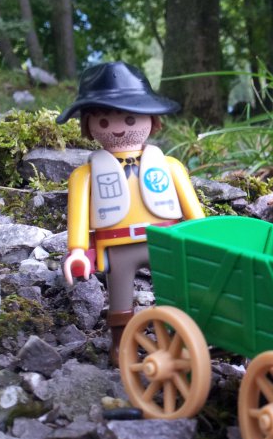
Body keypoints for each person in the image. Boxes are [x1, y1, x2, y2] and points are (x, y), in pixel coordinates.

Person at [57, 61, 205, 366]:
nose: (118, 127)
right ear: (88, 124)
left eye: (129, 117)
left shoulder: (171, 166)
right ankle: (121, 345)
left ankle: (177, 340)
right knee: (120, 300)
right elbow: (78, 216)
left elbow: (194, 212)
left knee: (174, 294)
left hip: (166, 240)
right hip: (117, 246)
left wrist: (205, 239)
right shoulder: (84, 175)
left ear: (151, 119)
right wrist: (77, 251)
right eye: (104, 120)